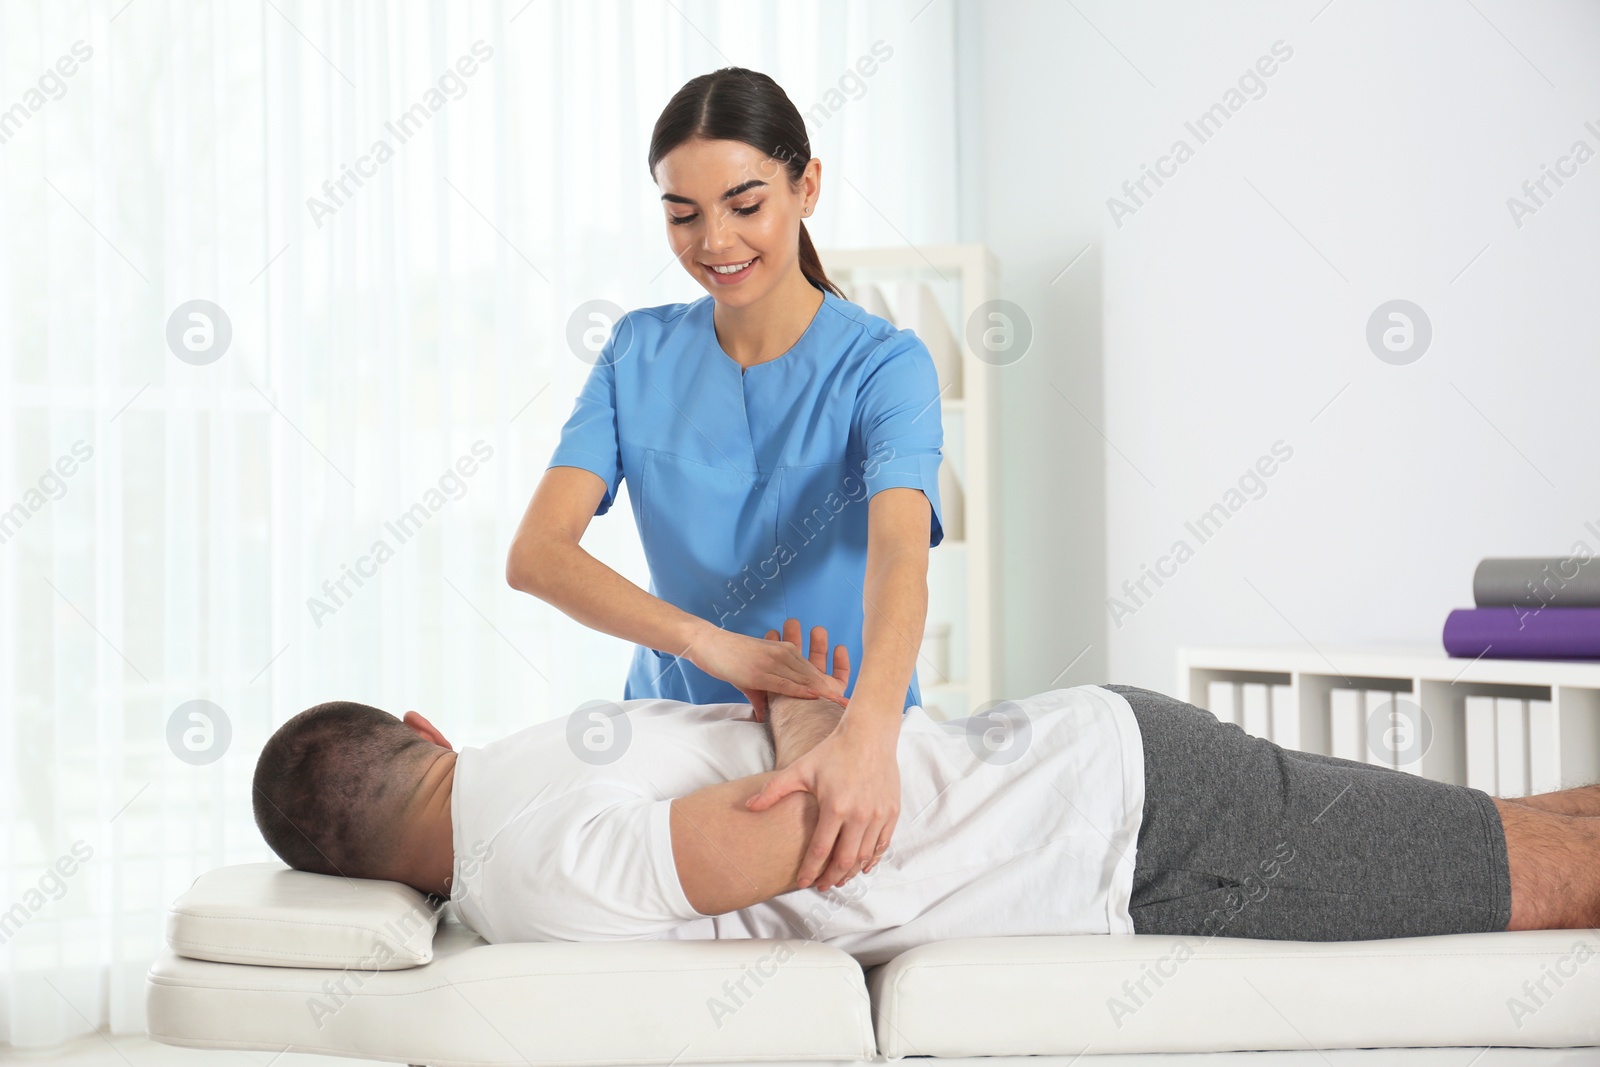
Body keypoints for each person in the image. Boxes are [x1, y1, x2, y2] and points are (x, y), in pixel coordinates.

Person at [252, 620, 1599, 968]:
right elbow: (822, 789)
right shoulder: (544, 760)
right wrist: (797, 703)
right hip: (1117, 786)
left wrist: (806, 720)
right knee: (1535, 836)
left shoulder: (520, 861)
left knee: (1540, 875)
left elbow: (830, 810)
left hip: (1131, 824)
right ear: (423, 724)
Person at [505, 66, 947, 892]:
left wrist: (871, 738)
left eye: (745, 205)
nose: (714, 242)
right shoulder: (637, 352)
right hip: (670, 733)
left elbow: (900, 558)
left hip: (846, 734)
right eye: (684, 213)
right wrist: (715, 647)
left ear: (806, 186)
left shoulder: (887, 366)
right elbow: (536, 554)